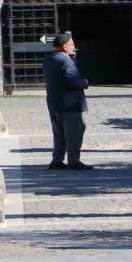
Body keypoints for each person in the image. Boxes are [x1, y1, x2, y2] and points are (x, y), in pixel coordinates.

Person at [43, 32, 93, 170]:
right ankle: (73, 161)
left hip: (54, 104)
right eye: (72, 45)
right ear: (65, 46)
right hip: (71, 105)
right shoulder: (65, 61)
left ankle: (57, 160)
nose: (74, 47)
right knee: (74, 134)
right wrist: (85, 83)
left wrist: (73, 59)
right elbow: (73, 81)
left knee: (59, 135)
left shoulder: (50, 59)